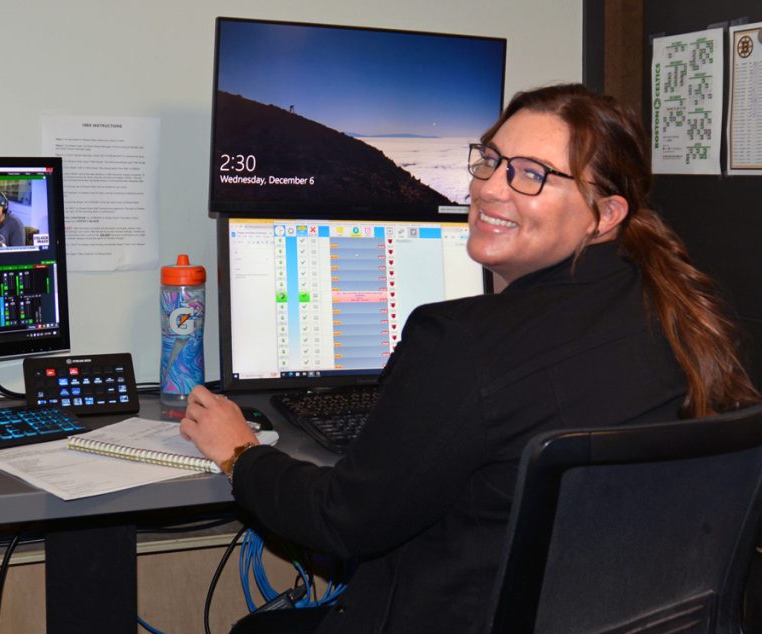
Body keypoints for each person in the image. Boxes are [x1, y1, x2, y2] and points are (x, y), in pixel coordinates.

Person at [179, 83, 759, 633]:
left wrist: (241, 453)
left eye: (532, 175)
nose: (489, 188)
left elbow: (341, 521)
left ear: (605, 215)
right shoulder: (681, 314)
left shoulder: (458, 339)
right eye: (491, 160)